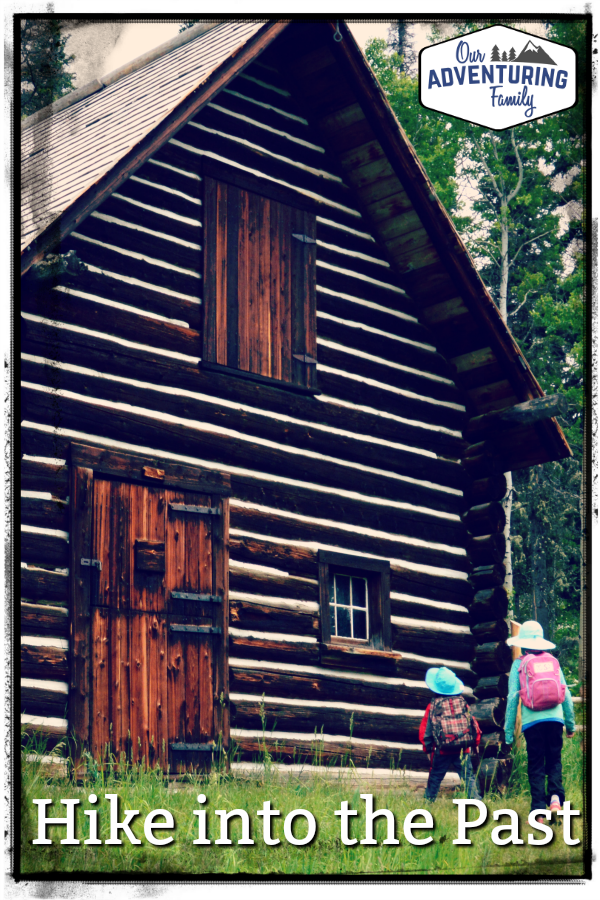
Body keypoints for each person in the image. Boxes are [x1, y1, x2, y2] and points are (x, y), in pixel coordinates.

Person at [504, 620, 576, 821]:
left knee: (536, 764)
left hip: (532, 723)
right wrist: (570, 724)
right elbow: (567, 695)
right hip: (555, 720)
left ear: (523, 643)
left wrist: (508, 733)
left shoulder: (519, 663)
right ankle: (555, 800)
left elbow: (512, 699)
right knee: (554, 760)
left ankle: (538, 812)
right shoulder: (552, 661)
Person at [419, 666, 482, 802]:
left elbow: (426, 731)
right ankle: (477, 801)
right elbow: (473, 725)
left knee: (435, 776)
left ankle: (428, 802)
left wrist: (427, 748)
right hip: (463, 748)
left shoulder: (434, 705)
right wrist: (475, 743)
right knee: (468, 777)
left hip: (442, 750)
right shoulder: (462, 703)